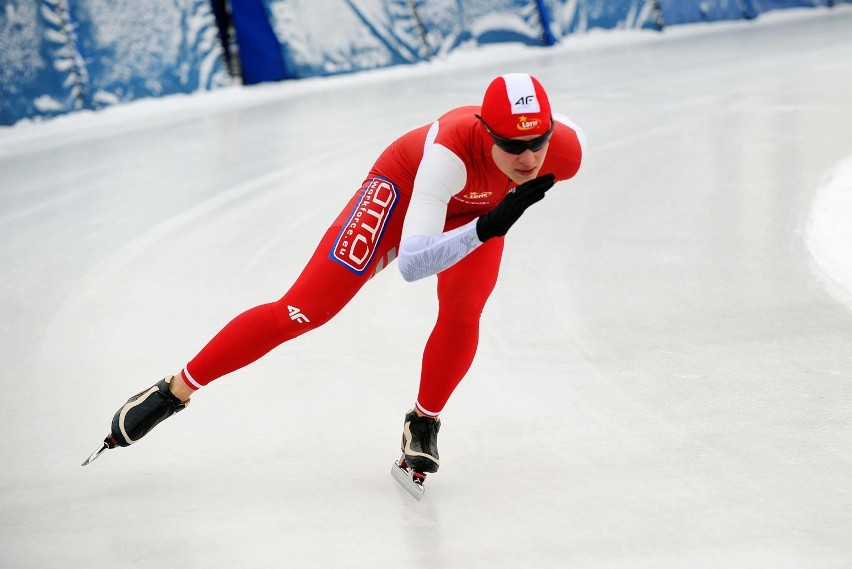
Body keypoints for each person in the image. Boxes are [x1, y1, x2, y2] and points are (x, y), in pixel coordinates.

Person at [90, 73, 585, 477]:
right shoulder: (448, 153)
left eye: (537, 142)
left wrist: (482, 226)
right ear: (486, 130)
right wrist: (485, 228)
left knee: (464, 311)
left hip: (476, 217)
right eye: (512, 145)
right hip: (405, 193)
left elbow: (541, 150)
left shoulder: (562, 153)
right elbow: (413, 264)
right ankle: (174, 389)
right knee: (303, 311)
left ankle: (423, 421)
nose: (527, 159)